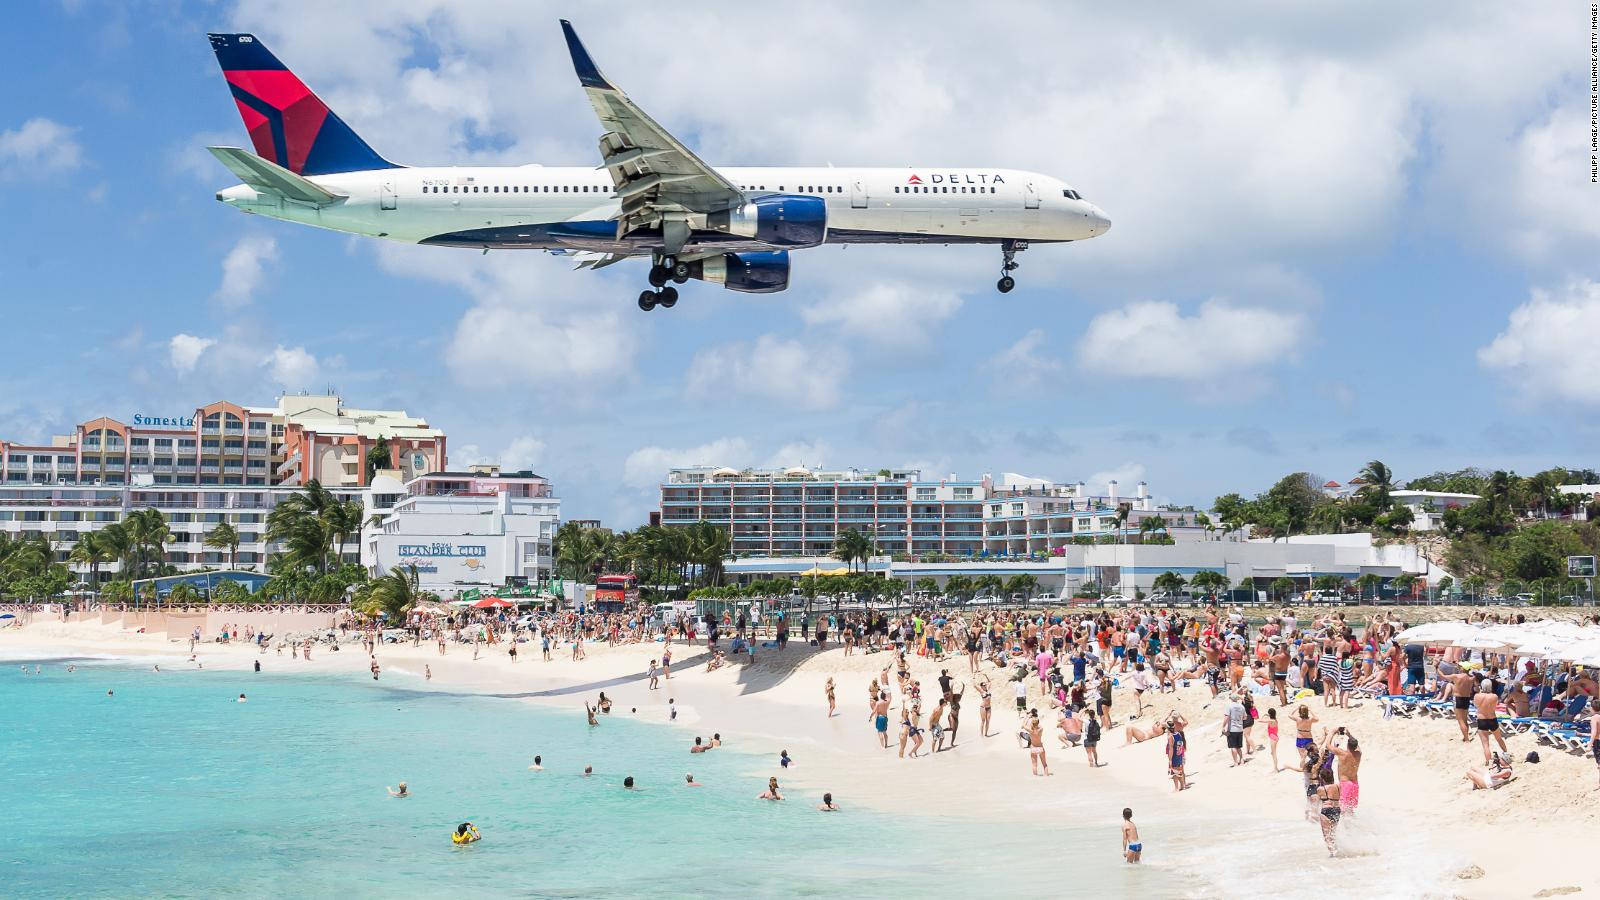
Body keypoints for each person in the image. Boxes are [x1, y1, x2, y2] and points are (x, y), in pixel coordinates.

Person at [1326, 728, 1362, 814]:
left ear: (1347, 745)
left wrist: (1332, 733)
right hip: (1355, 784)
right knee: (1350, 809)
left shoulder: (1342, 753)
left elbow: (1328, 745)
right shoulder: (1358, 754)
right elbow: (1357, 746)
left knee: (1342, 809)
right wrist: (1349, 735)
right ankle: (1351, 826)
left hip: (1345, 783)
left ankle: (1343, 827)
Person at [1473, 678, 1508, 764]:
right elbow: (1495, 705)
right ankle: (1506, 754)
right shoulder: (1494, 696)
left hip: (1482, 719)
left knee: (1485, 744)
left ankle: (1488, 761)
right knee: (1499, 739)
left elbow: (1476, 705)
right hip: (1492, 718)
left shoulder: (1477, 696)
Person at [1314, 769, 1340, 857]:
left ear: (1322, 778)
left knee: (1326, 834)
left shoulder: (1320, 789)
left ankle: (1332, 853)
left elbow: (1317, 801)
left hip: (1326, 810)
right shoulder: (1338, 786)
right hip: (1336, 810)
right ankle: (1336, 850)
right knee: (1333, 832)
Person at [1166, 714, 1188, 791]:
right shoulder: (1178, 734)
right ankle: (1183, 786)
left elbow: (1171, 749)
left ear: (1168, 728)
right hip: (1180, 755)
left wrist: (1170, 760)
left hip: (1175, 756)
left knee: (1174, 772)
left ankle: (1176, 788)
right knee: (1180, 771)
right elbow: (1181, 744)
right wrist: (1182, 755)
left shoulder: (1170, 737)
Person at [1224, 692, 1246, 766]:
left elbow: (1226, 717)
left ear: (1231, 699)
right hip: (1240, 728)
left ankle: (1236, 762)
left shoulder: (1229, 706)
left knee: (1233, 746)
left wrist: (1223, 726)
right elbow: (1245, 717)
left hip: (1232, 728)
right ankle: (1242, 759)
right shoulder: (1242, 706)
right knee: (1239, 746)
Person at [1027, 710, 1051, 776]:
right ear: (1038, 723)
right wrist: (1037, 721)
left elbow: (1023, 725)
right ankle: (1046, 775)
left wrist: (1027, 717)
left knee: (1034, 764)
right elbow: (1039, 725)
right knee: (1044, 764)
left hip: (1033, 748)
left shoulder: (1030, 730)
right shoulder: (1040, 729)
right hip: (1040, 747)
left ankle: (1035, 777)